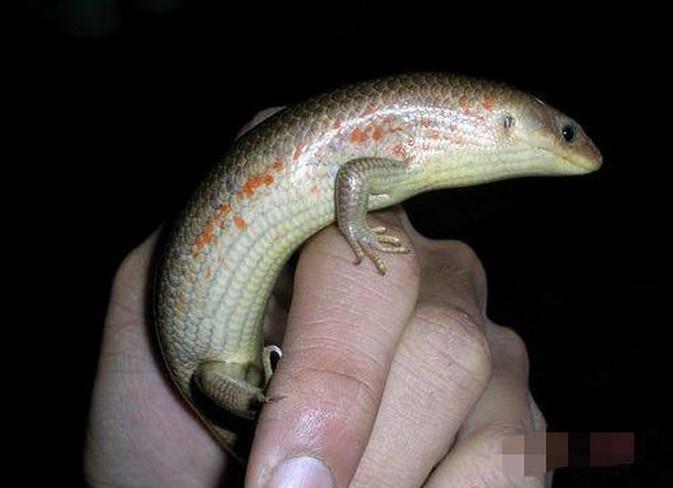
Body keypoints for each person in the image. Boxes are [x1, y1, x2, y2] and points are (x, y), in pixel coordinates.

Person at [84, 112, 549, 487]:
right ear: (505, 121)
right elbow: (206, 380)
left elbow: (553, 453)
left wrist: (544, 454)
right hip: (209, 367)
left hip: (218, 373)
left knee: (538, 450)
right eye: (564, 132)